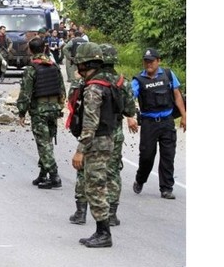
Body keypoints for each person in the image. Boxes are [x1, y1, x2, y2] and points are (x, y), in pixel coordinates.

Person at [68, 44, 139, 227]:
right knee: (112, 172)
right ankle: (112, 214)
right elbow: (130, 109)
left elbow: (77, 106)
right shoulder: (121, 82)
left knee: (88, 174)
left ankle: (82, 211)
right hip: (114, 131)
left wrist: (81, 148)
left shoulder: (90, 84)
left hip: (95, 135)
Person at [67, 42, 118, 248]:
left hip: (96, 142)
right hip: (105, 140)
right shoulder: (106, 82)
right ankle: (101, 231)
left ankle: (103, 233)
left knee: (95, 187)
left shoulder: (93, 88)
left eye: (79, 65)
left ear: (85, 64)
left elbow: (90, 123)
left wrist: (80, 150)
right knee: (97, 185)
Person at [131, 48, 186, 200]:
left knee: (168, 155)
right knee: (147, 156)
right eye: (146, 61)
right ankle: (140, 179)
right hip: (149, 123)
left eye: (152, 61)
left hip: (167, 122)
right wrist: (130, 116)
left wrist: (184, 115)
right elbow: (130, 98)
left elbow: (177, 95)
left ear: (158, 61)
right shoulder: (138, 80)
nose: (148, 64)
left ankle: (166, 188)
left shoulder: (168, 75)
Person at [17, 37, 66, 189]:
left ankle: (54, 175)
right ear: (45, 49)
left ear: (31, 50)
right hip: (53, 109)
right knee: (47, 141)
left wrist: (21, 112)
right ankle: (43, 174)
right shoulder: (54, 66)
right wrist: (59, 106)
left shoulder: (32, 69)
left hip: (39, 110)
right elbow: (62, 90)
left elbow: (25, 93)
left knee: (43, 143)